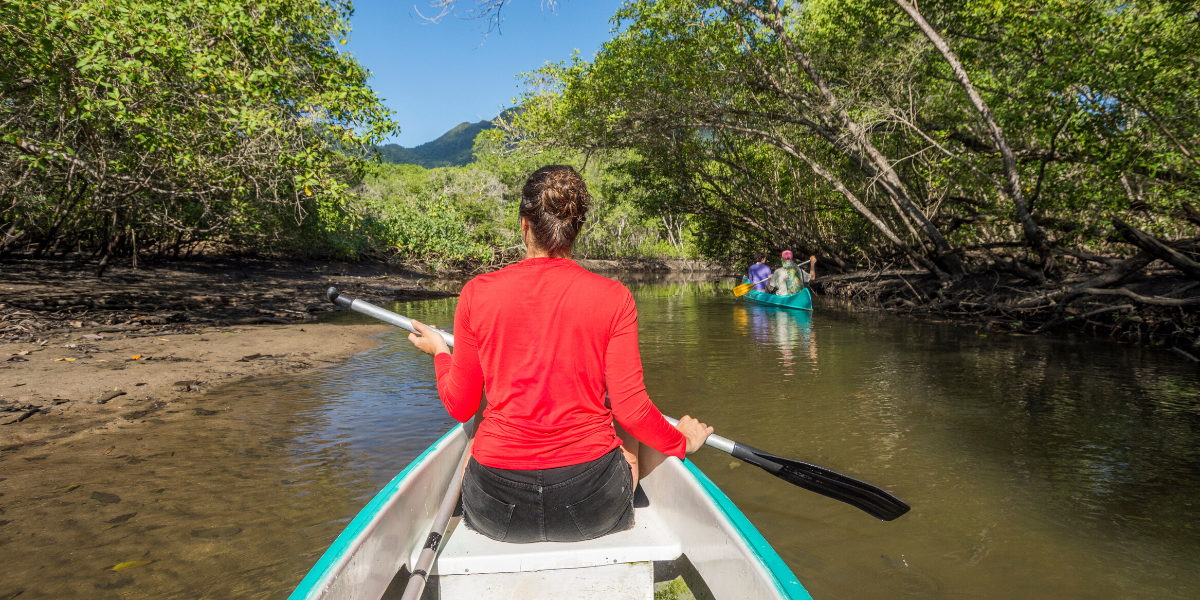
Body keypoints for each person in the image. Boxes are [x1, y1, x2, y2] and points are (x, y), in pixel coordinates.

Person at [405, 165, 714, 544]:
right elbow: (633, 411)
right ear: (576, 230)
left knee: (477, 435)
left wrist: (440, 351)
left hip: (497, 510)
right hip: (590, 506)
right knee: (621, 420)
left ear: (524, 225)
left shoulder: (476, 294)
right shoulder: (614, 298)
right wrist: (682, 439)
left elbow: (460, 405)